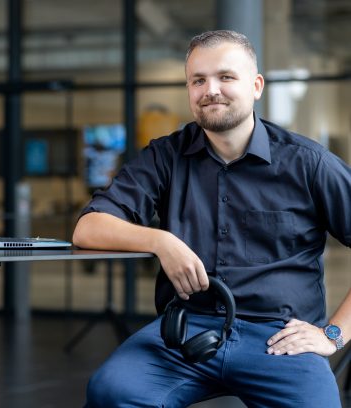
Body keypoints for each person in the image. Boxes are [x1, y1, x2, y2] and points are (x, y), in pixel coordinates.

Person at [73, 30, 351, 407]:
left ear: (256, 86)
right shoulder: (165, 157)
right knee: (111, 392)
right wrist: (160, 241)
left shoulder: (310, 163)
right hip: (185, 329)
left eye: (226, 77)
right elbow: (88, 227)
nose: (210, 90)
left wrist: (333, 334)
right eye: (198, 80)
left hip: (281, 339)